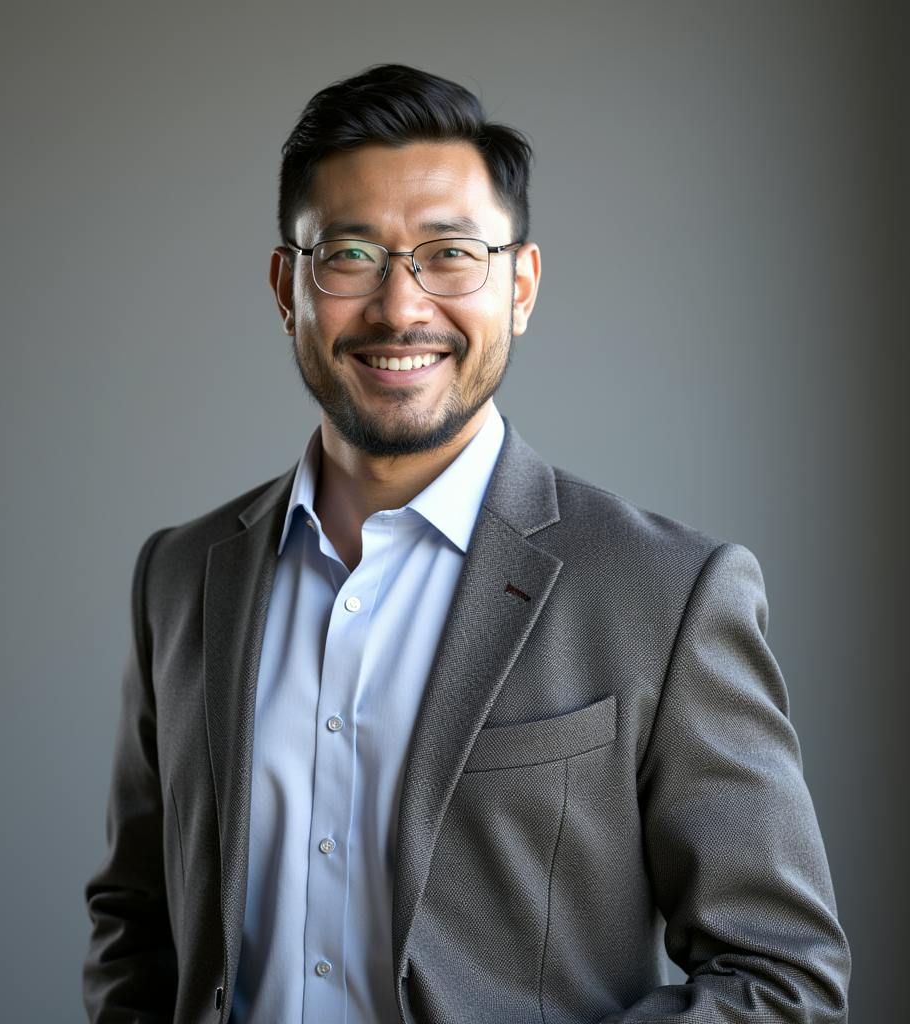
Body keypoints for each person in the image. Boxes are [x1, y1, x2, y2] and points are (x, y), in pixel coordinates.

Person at [83, 64, 851, 1024]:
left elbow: (784, 980)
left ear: (519, 285)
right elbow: (136, 927)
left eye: (450, 254)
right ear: (289, 287)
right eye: (352, 254)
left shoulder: (667, 594)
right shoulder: (182, 579)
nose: (401, 309)